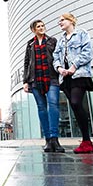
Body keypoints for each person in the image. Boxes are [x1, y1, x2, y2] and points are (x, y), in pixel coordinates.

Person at [53, 13, 93, 154]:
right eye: (59, 21)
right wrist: (59, 68)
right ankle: (85, 141)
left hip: (79, 74)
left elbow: (87, 53)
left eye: (62, 20)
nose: (60, 23)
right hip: (65, 78)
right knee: (75, 107)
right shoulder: (61, 40)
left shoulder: (82, 34)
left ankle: (87, 141)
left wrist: (73, 67)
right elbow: (55, 57)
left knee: (77, 103)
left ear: (71, 21)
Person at [23, 20, 65, 153]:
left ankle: (55, 139)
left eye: (42, 26)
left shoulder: (52, 41)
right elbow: (26, 63)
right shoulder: (30, 44)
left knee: (53, 104)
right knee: (42, 108)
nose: (41, 28)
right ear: (33, 30)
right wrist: (25, 81)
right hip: (35, 80)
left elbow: (59, 56)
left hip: (51, 77)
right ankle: (47, 140)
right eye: (38, 27)